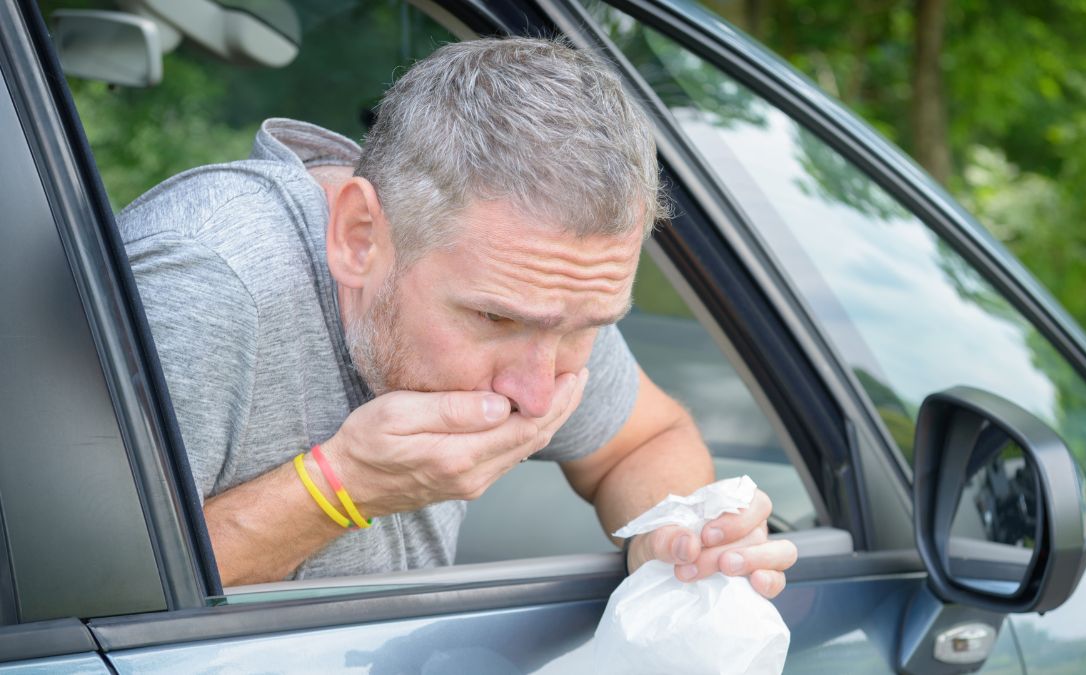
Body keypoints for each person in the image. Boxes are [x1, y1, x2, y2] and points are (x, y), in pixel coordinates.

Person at [119, 37, 797, 595]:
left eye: (585, 325)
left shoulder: (543, 286)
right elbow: (77, 600)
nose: (536, 396)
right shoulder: (206, 280)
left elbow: (643, 442)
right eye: (496, 320)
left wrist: (673, 537)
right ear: (359, 237)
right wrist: (342, 487)